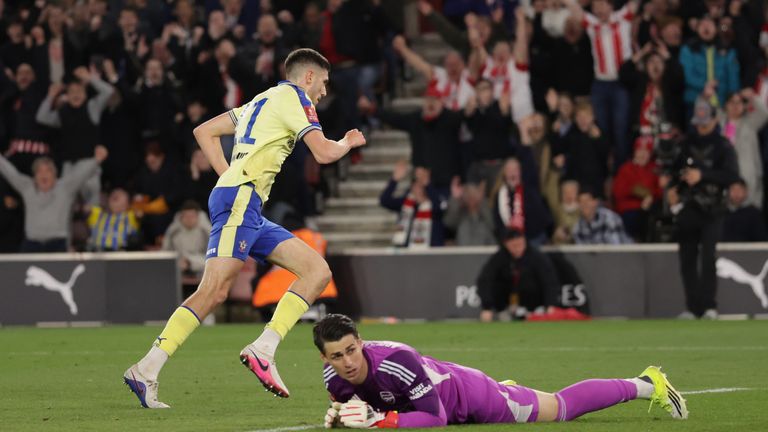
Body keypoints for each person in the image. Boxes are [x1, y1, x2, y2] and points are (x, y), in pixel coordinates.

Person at [123, 48, 366, 408]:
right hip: (241, 199)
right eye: (324, 83)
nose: (325, 92)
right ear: (309, 77)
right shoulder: (296, 98)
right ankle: (146, 368)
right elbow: (324, 153)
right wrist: (347, 141)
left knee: (316, 271)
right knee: (214, 291)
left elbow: (204, 131)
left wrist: (228, 176)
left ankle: (264, 348)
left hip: (245, 203)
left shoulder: (260, 101)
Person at [316, 314, 688, 429]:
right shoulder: (335, 380)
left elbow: (435, 418)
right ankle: (508, 390)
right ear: (325, 360)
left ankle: (645, 383)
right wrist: (340, 418)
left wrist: (379, 421)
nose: (348, 361)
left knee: (559, 408)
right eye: (337, 356)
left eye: (352, 349)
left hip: (470, 398)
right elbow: (358, 409)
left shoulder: (398, 360)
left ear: (361, 342)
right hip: (448, 384)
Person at [668, 97, 739, 319]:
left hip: (713, 208)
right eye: (698, 122)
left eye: (705, 122)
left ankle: (709, 305)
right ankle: (692, 306)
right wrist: (673, 188)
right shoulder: (686, 144)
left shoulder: (722, 145)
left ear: (714, 119)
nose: (701, 126)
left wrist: (703, 176)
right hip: (689, 207)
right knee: (687, 259)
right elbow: (675, 171)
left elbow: (731, 176)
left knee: (708, 258)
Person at [0, 147, 108, 252]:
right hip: (31, 244)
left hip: (57, 243)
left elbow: (80, 174)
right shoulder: (28, 187)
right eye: (39, 171)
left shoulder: (65, 188)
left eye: (48, 171)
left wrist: (97, 159)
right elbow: (10, 173)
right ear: (35, 177)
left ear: (55, 175)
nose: (43, 174)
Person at [477, 228, 560, 321]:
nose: (517, 249)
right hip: (506, 306)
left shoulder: (537, 257)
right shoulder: (499, 257)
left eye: (520, 244)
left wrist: (551, 305)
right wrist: (487, 307)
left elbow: (549, 282)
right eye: (513, 245)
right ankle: (504, 312)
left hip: (534, 305)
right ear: (506, 244)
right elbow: (485, 280)